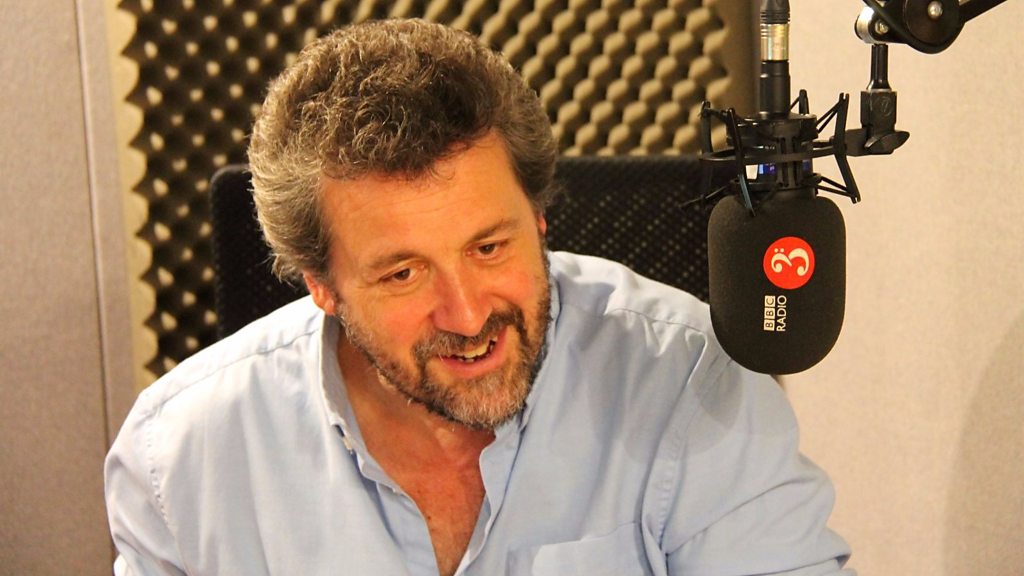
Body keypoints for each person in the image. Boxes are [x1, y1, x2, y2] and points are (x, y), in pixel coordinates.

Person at [105, 18, 854, 576]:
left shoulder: (691, 383)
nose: (467, 315)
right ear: (321, 285)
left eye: (489, 247)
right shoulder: (179, 459)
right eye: (403, 273)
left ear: (539, 218)